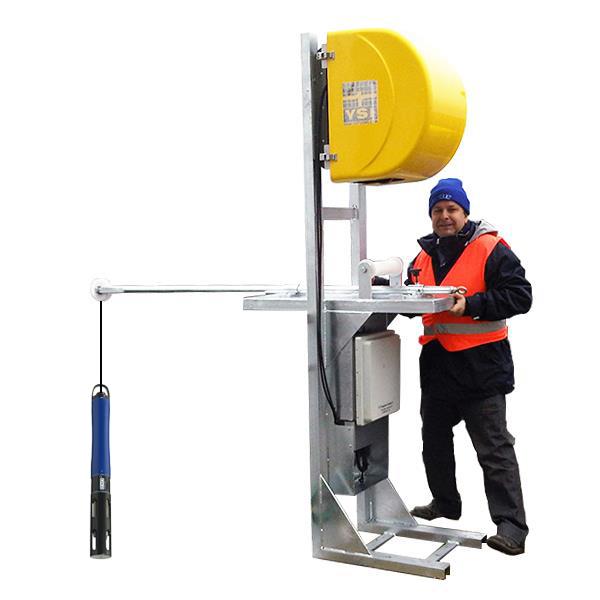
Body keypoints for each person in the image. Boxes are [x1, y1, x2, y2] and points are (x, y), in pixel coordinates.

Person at [407, 178, 532, 556]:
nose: (444, 216)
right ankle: (446, 502)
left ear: (465, 213)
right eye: (437, 210)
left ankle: (511, 526)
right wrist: (382, 291)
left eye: (452, 209)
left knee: (494, 448)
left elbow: (520, 296)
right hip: (438, 365)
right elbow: (412, 294)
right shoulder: (423, 256)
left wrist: (473, 305)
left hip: (482, 368)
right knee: (434, 441)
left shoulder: (490, 248)